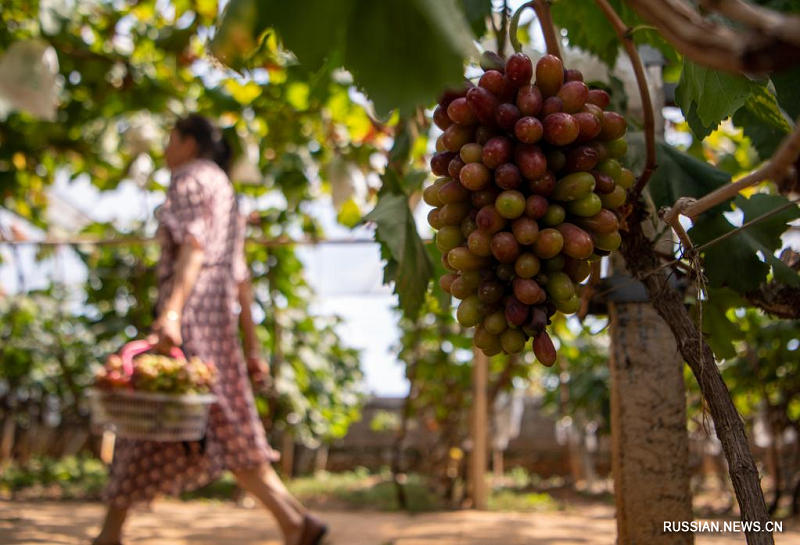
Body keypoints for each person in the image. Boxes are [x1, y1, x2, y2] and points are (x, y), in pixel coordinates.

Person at [92, 114, 327, 545]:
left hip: (192, 310)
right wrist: (251, 347)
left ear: (188, 142)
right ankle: (294, 522)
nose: (165, 151)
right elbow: (239, 276)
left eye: (170, 140)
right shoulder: (224, 188)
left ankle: (109, 534)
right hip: (217, 314)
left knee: (151, 410)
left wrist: (173, 314)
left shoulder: (189, 179)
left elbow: (194, 247)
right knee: (218, 419)